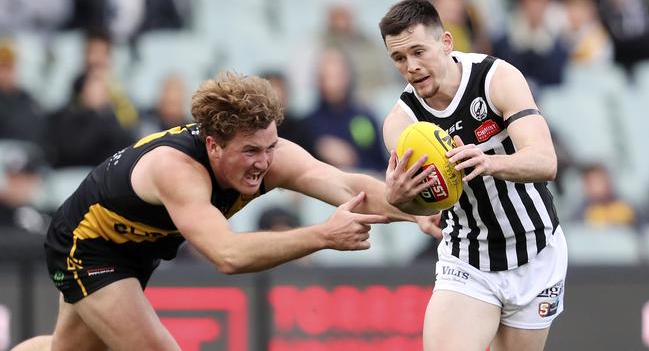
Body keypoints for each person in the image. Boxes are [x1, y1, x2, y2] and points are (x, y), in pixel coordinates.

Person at [11, 71, 434, 351]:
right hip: (88, 247)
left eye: (269, 147)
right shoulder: (177, 171)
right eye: (250, 151)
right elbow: (227, 256)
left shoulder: (269, 154)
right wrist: (323, 235)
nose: (263, 163)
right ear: (214, 145)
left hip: (138, 249)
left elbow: (347, 185)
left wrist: (414, 211)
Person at [378, 0, 567, 351]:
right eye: (400, 59)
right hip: (469, 257)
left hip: (536, 249)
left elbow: (546, 161)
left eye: (419, 51)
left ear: (446, 43)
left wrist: (489, 162)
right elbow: (425, 205)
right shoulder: (402, 123)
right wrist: (402, 200)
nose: (411, 66)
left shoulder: (497, 78)